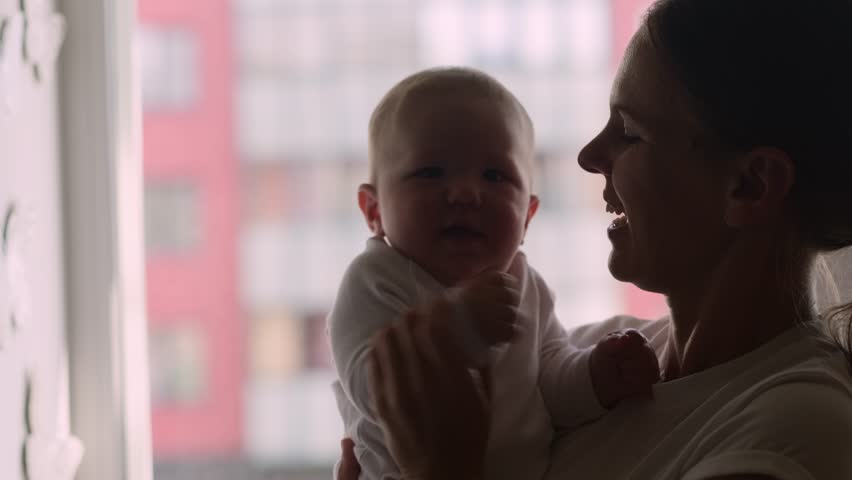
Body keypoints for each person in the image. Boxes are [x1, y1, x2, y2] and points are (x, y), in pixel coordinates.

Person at [339, 0, 852, 479]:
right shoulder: (611, 355)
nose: (588, 155)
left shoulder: (792, 436)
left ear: (750, 184)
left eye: (629, 130)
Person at [327, 67, 660, 480]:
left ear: (527, 217)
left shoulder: (526, 285)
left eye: (495, 176)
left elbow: (549, 382)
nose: (465, 193)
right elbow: (376, 390)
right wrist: (458, 328)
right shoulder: (375, 279)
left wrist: (595, 377)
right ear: (374, 211)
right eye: (430, 173)